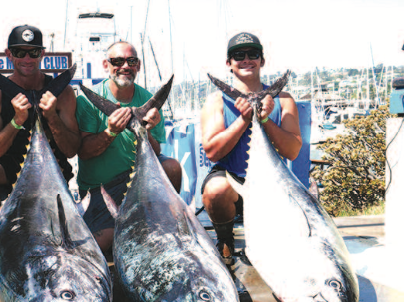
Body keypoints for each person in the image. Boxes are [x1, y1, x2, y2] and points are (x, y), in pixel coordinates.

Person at [0, 25, 81, 274]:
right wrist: (16, 121)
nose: (26, 59)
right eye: (19, 52)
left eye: (33, 52)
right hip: (9, 168)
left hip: (52, 170)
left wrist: (52, 117)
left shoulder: (63, 94)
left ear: (42, 54)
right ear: (8, 54)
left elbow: (72, 150)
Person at [200, 32, 302, 264]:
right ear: (229, 63)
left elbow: (292, 151)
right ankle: (225, 240)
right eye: (238, 55)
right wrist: (244, 119)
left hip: (272, 181)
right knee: (216, 190)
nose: (246, 59)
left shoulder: (283, 100)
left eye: (253, 54)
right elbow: (212, 152)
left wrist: (265, 119)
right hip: (231, 179)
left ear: (262, 60)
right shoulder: (216, 101)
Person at [75, 41, 182, 256]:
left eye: (131, 61)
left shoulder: (148, 101)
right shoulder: (86, 101)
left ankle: (168, 223)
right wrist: (111, 131)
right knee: (102, 243)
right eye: (118, 61)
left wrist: (145, 131)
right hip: (100, 187)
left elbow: (156, 152)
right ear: (106, 65)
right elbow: (84, 152)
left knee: (171, 167)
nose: (125, 66)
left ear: (138, 66)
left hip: (139, 182)